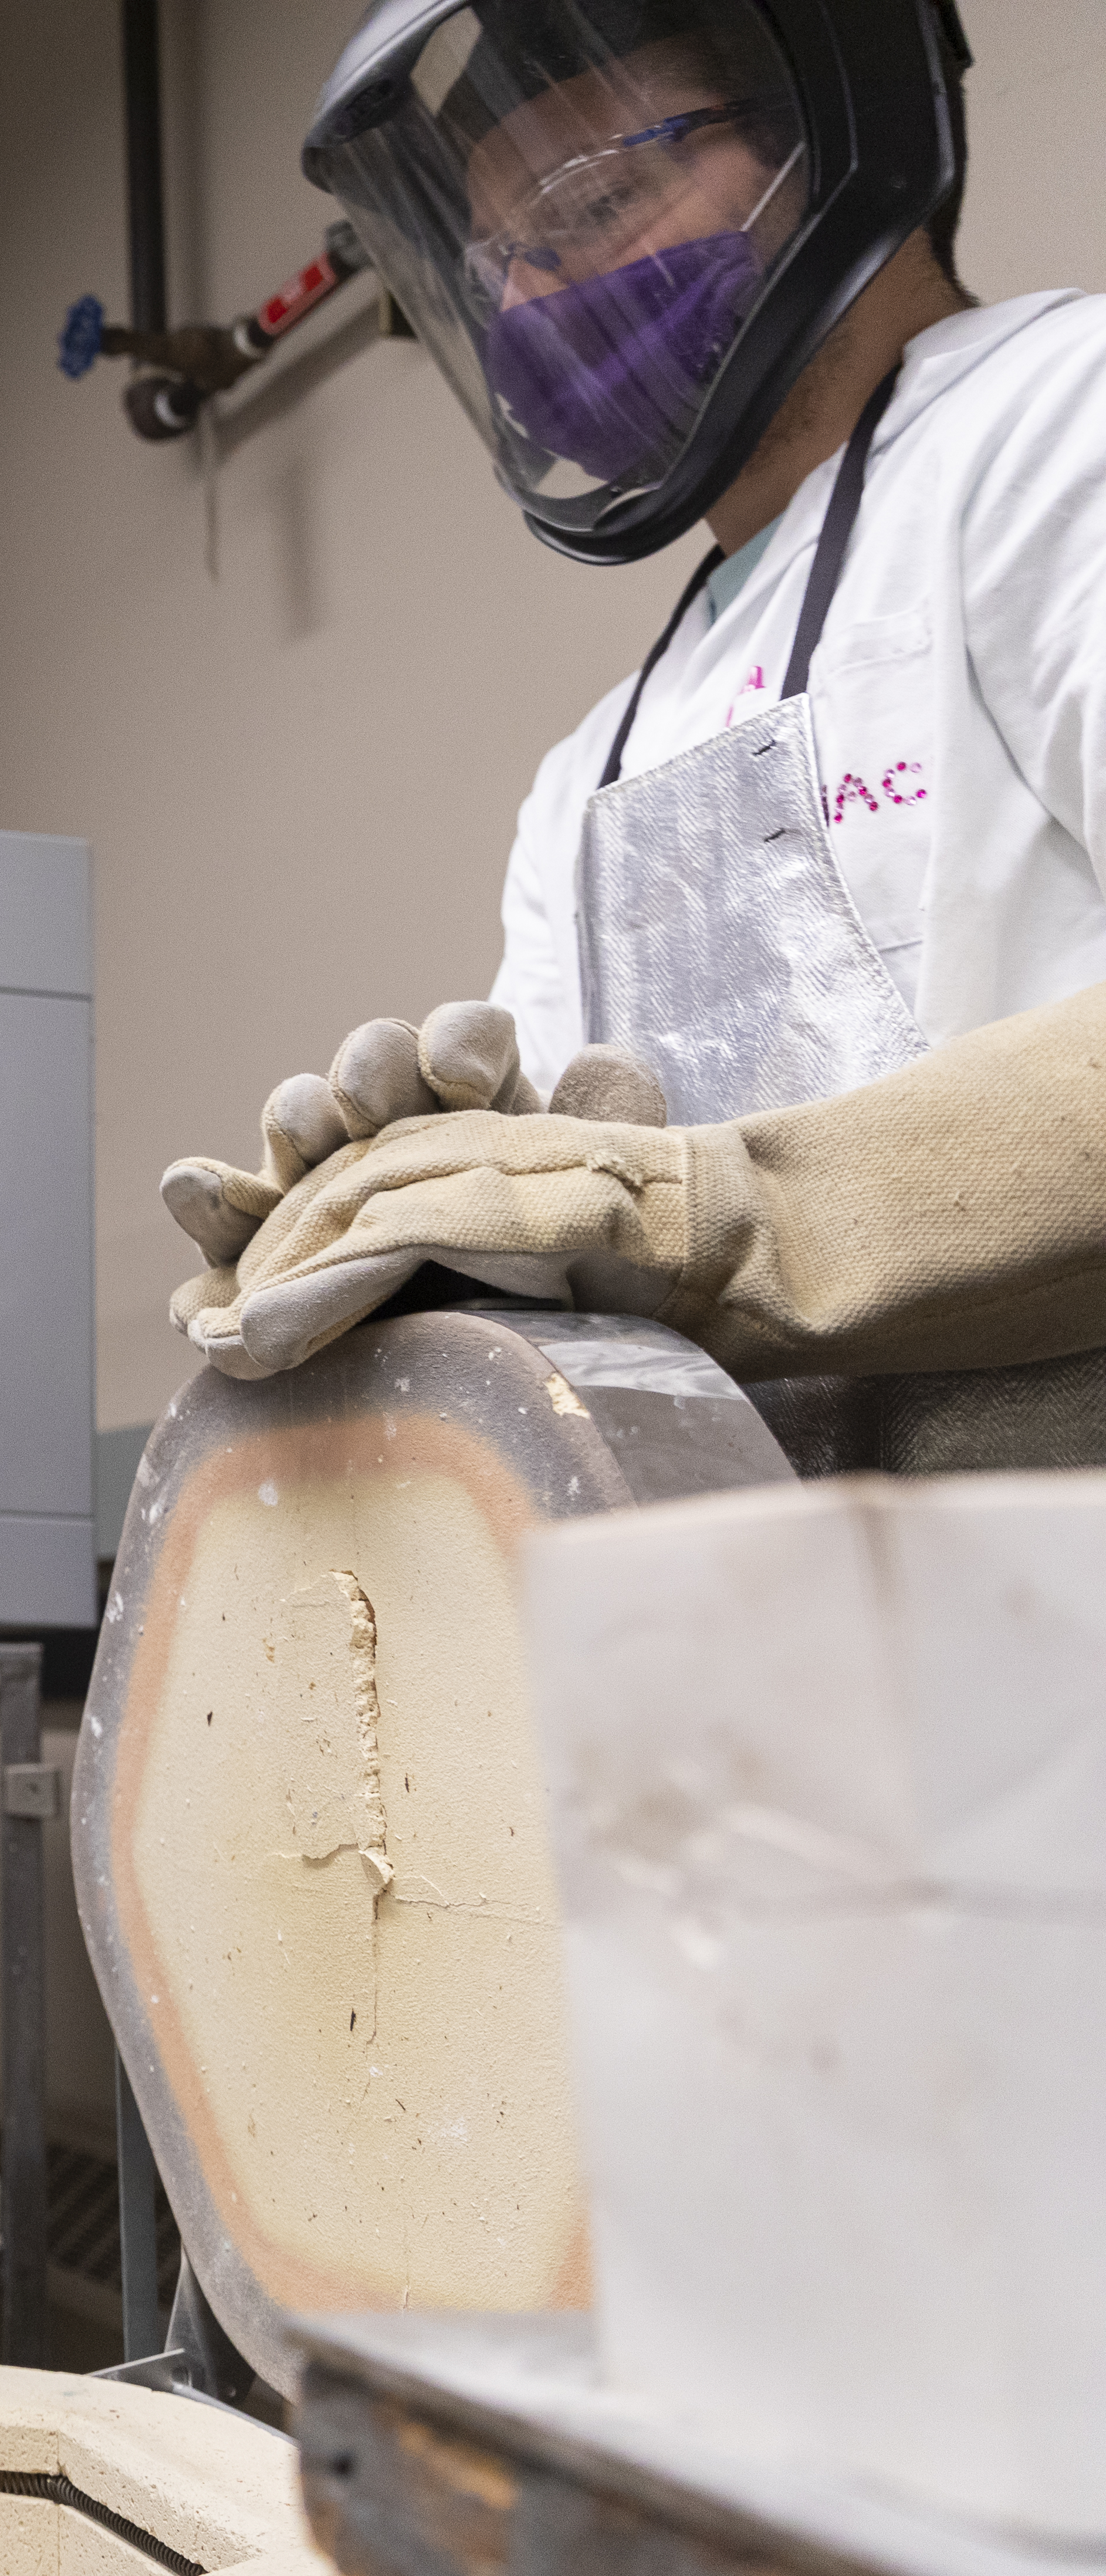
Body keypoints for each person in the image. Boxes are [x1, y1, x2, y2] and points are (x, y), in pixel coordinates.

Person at [161, 0, 1106, 1472]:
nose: (539, 298)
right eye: (498, 267)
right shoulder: (595, 771)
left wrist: (717, 1218)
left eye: (592, 204)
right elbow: (592, 1234)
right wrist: (434, 1246)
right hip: (767, 1641)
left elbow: (672, 1220)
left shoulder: (1060, 423)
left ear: (831, 130)